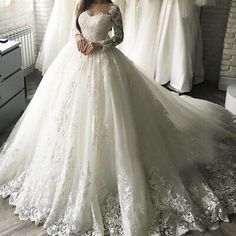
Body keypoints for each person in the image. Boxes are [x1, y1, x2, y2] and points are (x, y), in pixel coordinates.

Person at [0, 0, 236, 235]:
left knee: (112, 116)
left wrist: (99, 45)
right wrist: (79, 38)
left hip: (104, 62)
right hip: (74, 59)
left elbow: (119, 37)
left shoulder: (113, 9)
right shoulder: (82, 3)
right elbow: (74, 27)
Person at [155, 0, 215, 93]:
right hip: (173, 4)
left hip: (182, 5)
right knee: (172, 31)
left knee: (181, 32)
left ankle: (178, 77)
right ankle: (166, 74)